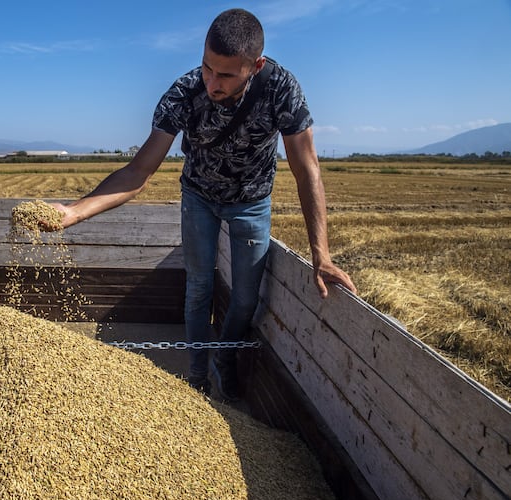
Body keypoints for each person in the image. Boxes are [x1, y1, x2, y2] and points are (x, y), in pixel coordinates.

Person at [47, 8, 356, 401]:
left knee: (245, 299)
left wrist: (321, 255)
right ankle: (196, 376)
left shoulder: (280, 88)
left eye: (226, 75)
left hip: (251, 202)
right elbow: (139, 171)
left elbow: (306, 167)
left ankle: (223, 359)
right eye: (207, 68)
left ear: (255, 66)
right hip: (198, 196)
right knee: (198, 288)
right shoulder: (184, 93)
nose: (212, 82)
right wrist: (73, 211)